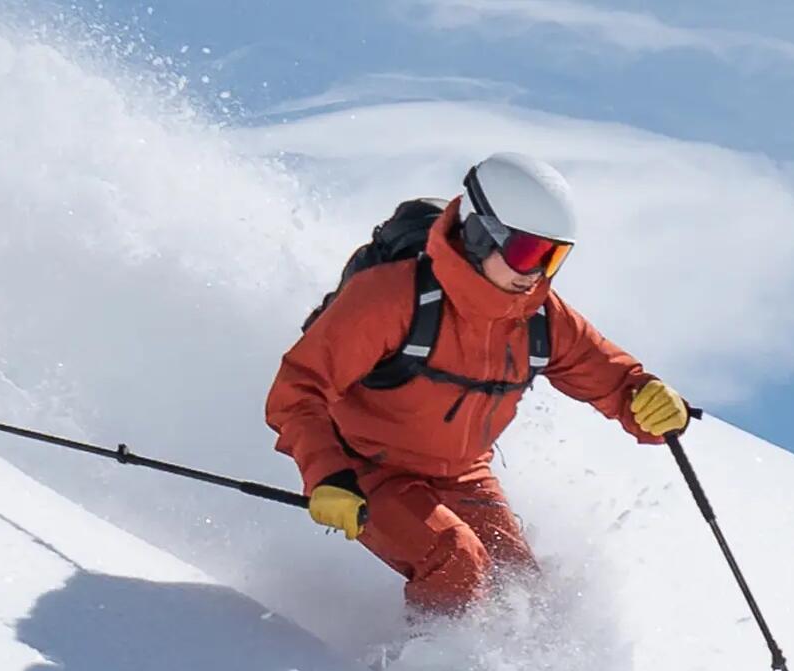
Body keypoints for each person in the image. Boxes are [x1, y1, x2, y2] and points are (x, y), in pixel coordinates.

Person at [265, 152, 689, 616]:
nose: (535, 272)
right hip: (365, 466)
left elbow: (615, 379)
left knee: (521, 592)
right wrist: (327, 476)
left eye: (553, 257)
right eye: (528, 251)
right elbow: (298, 389)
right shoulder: (392, 298)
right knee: (456, 561)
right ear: (480, 234)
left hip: (463, 473)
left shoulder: (540, 319)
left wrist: (649, 401)